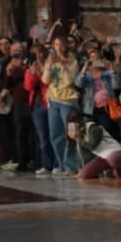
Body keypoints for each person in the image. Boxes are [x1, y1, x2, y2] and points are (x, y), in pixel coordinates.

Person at [42, 35, 81, 173]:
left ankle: (71, 166)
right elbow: (45, 80)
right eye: (56, 44)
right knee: (55, 135)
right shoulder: (51, 60)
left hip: (68, 101)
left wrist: (63, 65)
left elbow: (70, 80)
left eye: (61, 44)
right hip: (53, 100)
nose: (59, 47)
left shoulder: (73, 61)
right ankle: (61, 164)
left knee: (71, 134)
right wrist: (49, 66)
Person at [67, 111, 121, 179]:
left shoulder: (93, 128)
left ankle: (119, 169)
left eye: (75, 122)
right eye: (70, 124)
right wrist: (80, 170)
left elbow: (92, 146)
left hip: (113, 151)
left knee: (114, 159)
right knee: (83, 175)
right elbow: (80, 153)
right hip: (102, 157)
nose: (73, 125)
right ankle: (108, 170)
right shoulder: (80, 133)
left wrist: (79, 139)